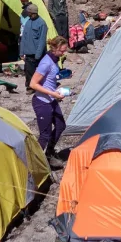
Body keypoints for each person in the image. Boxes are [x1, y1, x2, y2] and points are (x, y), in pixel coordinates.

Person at [29, 35, 69, 167]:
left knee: (60, 125)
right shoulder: (46, 62)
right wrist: (52, 93)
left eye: (65, 50)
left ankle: (49, 154)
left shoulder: (55, 59)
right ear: (54, 48)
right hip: (42, 102)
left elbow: (48, 80)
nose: (64, 53)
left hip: (51, 99)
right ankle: (35, 163)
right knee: (44, 135)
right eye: (62, 50)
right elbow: (33, 84)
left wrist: (56, 86)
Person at [20, 3, 48, 92]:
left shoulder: (42, 24)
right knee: (28, 71)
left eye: (30, 13)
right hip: (28, 53)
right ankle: (30, 87)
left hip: (37, 53)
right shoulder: (28, 22)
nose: (28, 15)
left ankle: (41, 86)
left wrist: (38, 54)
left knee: (40, 72)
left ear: (34, 13)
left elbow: (42, 40)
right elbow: (24, 38)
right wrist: (21, 52)